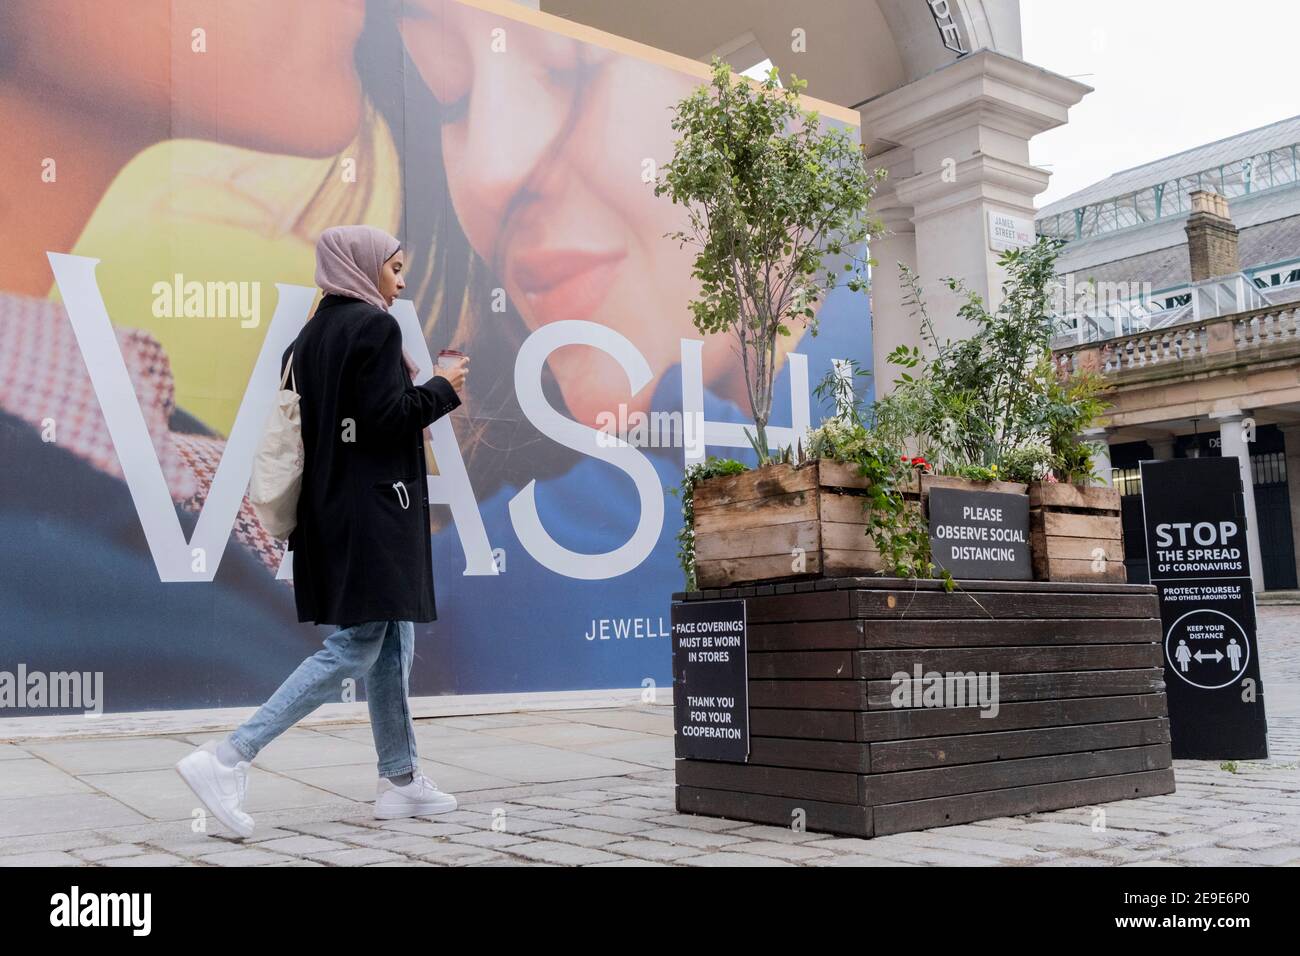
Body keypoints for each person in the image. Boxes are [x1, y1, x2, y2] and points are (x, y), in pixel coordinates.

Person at [175, 225, 470, 838]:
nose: (402, 279)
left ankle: (400, 779)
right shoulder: (376, 328)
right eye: (393, 267)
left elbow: (348, 426)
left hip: (332, 512)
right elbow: (386, 420)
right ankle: (228, 757)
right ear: (362, 267)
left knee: (391, 637)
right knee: (362, 642)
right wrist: (442, 389)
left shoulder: (307, 339)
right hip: (373, 515)